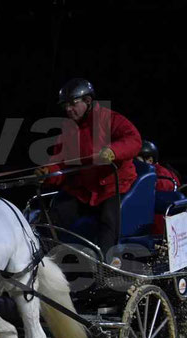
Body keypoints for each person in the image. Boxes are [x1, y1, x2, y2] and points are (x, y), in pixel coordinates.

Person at [35, 78, 142, 252]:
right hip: (85, 190)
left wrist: (113, 151)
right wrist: (48, 172)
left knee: (108, 220)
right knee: (53, 217)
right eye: (65, 105)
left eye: (72, 104)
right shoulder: (68, 129)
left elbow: (133, 140)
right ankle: (47, 261)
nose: (68, 109)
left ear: (88, 101)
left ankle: (108, 270)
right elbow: (61, 162)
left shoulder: (109, 119)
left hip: (112, 187)